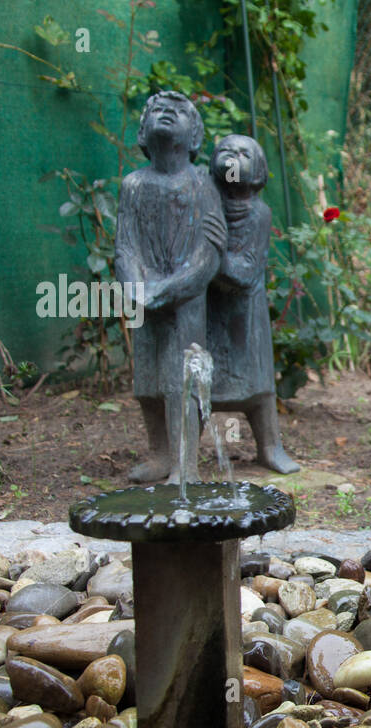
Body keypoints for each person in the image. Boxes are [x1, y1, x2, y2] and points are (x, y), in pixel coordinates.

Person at [115, 91, 225, 484]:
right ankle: (160, 455)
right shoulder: (133, 185)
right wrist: (135, 288)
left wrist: (166, 290)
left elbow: (209, 254)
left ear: (195, 137)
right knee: (147, 383)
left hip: (185, 301)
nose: (165, 114)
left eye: (177, 112)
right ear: (143, 131)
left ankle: (186, 463)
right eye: (157, 110)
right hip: (143, 300)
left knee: (181, 381)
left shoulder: (203, 185)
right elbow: (125, 246)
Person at [206, 134, 298, 474]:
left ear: (258, 169)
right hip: (209, 309)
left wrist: (215, 257)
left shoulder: (258, 213)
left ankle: (270, 446)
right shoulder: (205, 207)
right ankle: (182, 456)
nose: (233, 158)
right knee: (202, 383)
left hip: (246, 314)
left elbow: (246, 271)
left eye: (244, 154)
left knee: (259, 388)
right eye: (226, 151)